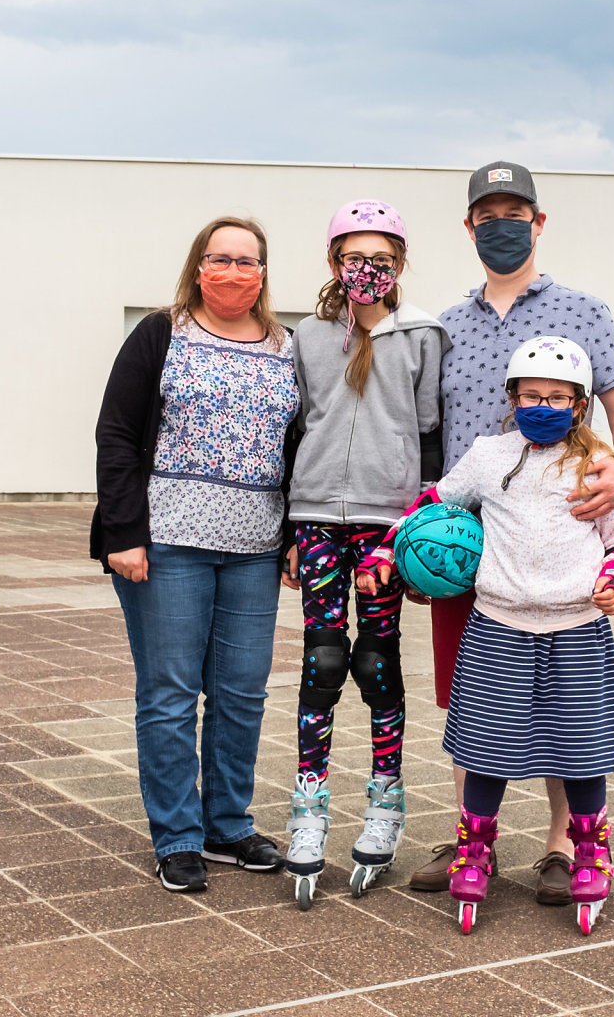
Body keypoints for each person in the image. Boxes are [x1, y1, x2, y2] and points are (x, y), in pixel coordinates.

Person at [410, 161, 614, 904]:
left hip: (561, 536)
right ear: (469, 226)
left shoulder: (586, 311)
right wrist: (415, 534)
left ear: (539, 222)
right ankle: (469, 837)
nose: (503, 225)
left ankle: (559, 845)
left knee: (563, 700)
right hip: (466, 548)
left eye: (517, 212)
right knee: (472, 693)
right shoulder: (444, 326)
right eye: (489, 215)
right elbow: (424, 433)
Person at [358, 336, 614, 935]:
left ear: (579, 404)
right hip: (498, 626)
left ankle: (590, 850)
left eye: (559, 397)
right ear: (511, 399)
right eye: (532, 395)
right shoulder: (489, 454)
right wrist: (387, 551)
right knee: (487, 748)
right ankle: (475, 847)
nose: (545, 405)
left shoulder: (596, 464)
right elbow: (434, 502)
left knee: (580, 747)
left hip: (576, 627)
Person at [91, 217, 299, 893]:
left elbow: (301, 450)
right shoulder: (160, 332)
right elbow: (117, 433)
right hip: (166, 544)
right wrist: (125, 533)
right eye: (221, 259)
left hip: (254, 550)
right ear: (198, 264)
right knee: (171, 693)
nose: (234, 272)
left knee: (242, 693)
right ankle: (178, 835)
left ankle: (228, 826)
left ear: (264, 272)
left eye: (248, 261)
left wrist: (296, 537)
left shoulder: (285, 346)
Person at [280, 200, 449, 908]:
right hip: (317, 518)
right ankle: (309, 807)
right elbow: (292, 431)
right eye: (354, 258)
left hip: (387, 521)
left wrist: (421, 536)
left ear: (400, 265)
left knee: (378, 660)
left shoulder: (422, 336)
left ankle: (386, 800)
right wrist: (287, 529)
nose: (367, 270)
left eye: (382, 259)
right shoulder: (308, 338)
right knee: (322, 660)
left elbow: (432, 441)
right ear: (332, 263)